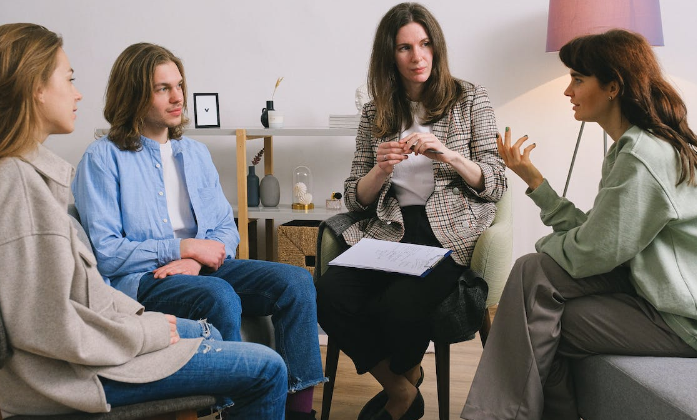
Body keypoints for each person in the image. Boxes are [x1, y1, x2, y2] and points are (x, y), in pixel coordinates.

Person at [0, 23, 287, 419]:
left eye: (179, 85)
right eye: (68, 79)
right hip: (76, 376)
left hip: (102, 336)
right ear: (36, 88)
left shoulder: (38, 178)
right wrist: (146, 330)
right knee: (265, 367)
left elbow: (83, 294)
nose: (78, 92)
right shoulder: (22, 186)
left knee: (245, 312)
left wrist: (143, 316)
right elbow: (50, 328)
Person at [70, 42, 324, 420]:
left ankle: (297, 410)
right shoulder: (102, 158)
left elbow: (225, 227)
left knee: (296, 282)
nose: (178, 97)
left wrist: (198, 257)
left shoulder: (195, 153)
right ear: (134, 93)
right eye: (163, 88)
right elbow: (107, 252)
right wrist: (182, 249)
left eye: (179, 85)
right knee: (219, 296)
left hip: (202, 267)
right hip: (143, 279)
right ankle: (231, 409)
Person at [462, 29, 697, 420]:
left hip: (679, 319)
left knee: (533, 284)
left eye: (577, 78)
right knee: (538, 314)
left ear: (612, 86)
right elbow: (601, 237)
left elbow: (592, 252)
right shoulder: (632, 149)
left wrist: (544, 248)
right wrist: (535, 181)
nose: (568, 91)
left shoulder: (643, 157)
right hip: (648, 292)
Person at [315, 3, 506, 420]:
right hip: (392, 228)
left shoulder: (471, 98)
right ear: (390, 56)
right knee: (329, 294)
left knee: (398, 306)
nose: (417, 57)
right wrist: (380, 170)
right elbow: (354, 198)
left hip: (449, 229)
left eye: (424, 44)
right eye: (404, 48)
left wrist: (449, 155)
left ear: (436, 48)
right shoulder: (375, 112)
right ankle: (402, 387)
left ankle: (403, 388)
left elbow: (496, 180)